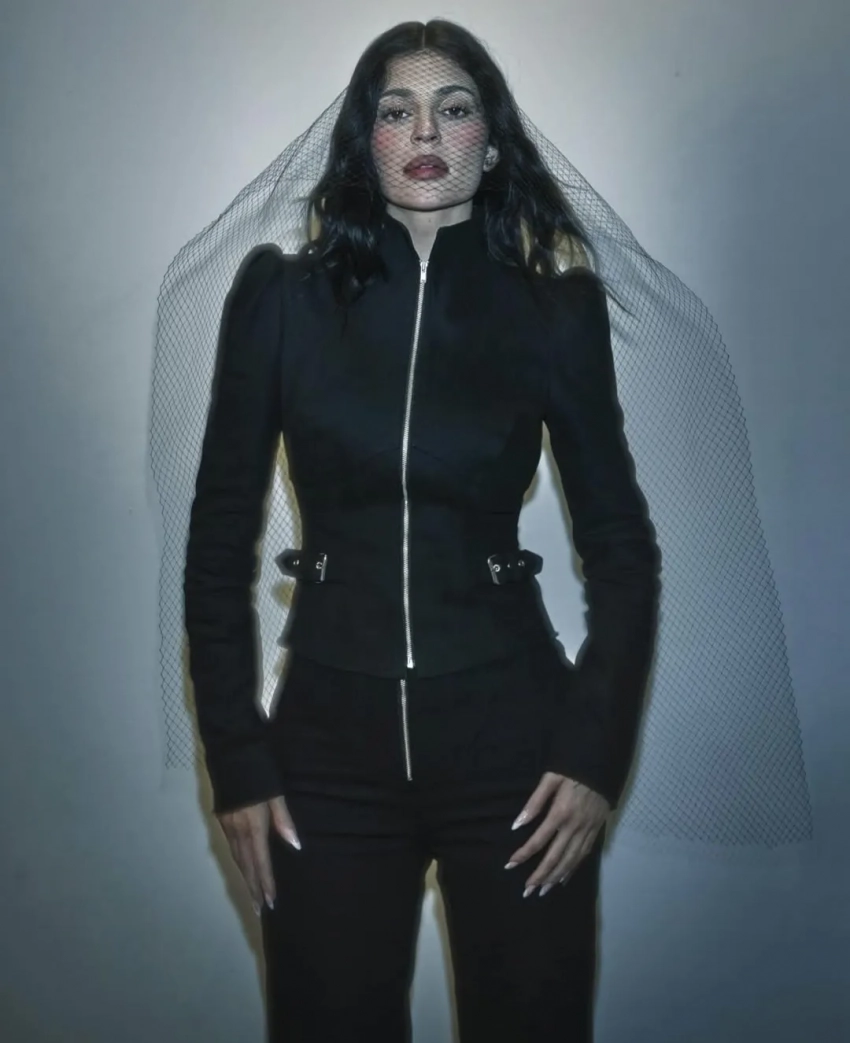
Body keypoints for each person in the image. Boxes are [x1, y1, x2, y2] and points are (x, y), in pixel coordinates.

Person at [183, 19, 662, 1042]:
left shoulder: (553, 312)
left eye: (454, 107)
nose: (426, 131)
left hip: (515, 753)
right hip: (324, 757)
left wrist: (593, 750)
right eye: (396, 111)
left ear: (492, 139)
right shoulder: (282, 301)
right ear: (365, 142)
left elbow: (623, 549)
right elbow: (218, 541)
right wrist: (236, 754)